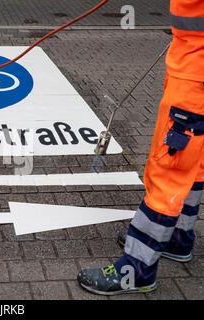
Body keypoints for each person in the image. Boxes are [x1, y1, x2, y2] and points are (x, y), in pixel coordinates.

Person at [77, 0, 204, 295]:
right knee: (193, 164)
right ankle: (177, 237)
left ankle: (137, 268)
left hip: (195, 74)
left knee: (169, 170)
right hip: (191, 61)